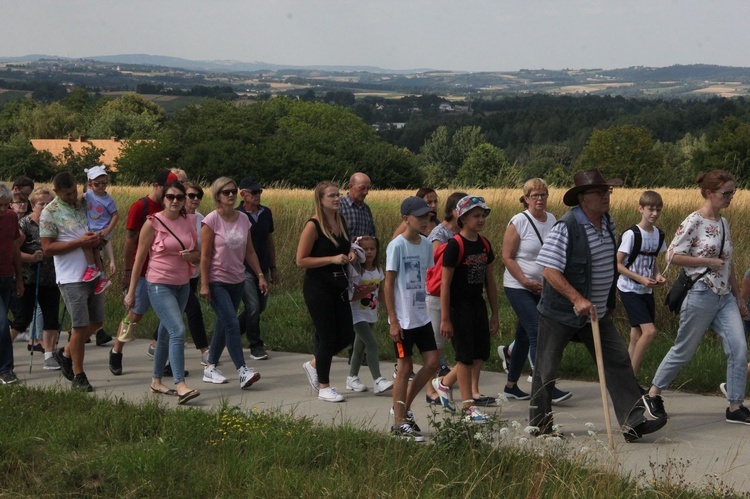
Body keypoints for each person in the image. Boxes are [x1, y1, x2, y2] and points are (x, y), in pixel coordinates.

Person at [530, 168, 667, 442]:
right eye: (600, 192)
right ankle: (540, 427)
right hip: (560, 313)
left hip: (597, 313)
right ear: (583, 198)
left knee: (618, 362)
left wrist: (606, 302)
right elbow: (549, 270)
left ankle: (634, 421)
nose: (606, 197)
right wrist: (577, 298)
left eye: (608, 191)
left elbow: (608, 266)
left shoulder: (607, 222)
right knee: (546, 369)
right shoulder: (567, 227)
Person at [648, 170, 750, 425]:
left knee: (739, 349)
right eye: (726, 193)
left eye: (733, 193)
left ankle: (735, 405)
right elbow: (672, 255)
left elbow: (729, 264)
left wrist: (739, 299)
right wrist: (706, 261)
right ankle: (653, 394)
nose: (730, 198)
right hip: (701, 292)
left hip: (724, 296)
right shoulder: (694, 221)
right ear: (709, 193)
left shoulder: (724, 223)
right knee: (685, 349)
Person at [125, 180, 201, 404]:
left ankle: (156, 381)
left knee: (167, 334)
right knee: (178, 330)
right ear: (163, 199)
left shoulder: (190, 221)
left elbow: (198, 253)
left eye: (180, 197)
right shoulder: (153, 223)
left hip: (183, 283)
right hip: (158, 283)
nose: (176, 201)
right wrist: (131, 291)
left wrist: (191, 256)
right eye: (171, 197)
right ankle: (180, 384)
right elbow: (139, 258)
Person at [500, 179, 571, 403]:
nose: (539, 199)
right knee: (538, 333)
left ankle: (511, 386)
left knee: (522, 337)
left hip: (542, 288)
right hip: (518, 286)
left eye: (543, 195)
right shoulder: (518, 222)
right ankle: (545, 387)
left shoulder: (552, 219)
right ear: (526, 198)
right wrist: (525, 281)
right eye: (535, 195)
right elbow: (507, 257)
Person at [110, 170, 178, 376]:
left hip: (163, 272)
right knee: (135, 314)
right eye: (167, 188)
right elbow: (130, 241)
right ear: (156, 185)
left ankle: (166, 361)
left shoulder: (172, 207)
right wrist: (128, 271)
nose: (171, 194)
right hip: (142, 272)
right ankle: (116, 350)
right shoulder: (141, 207)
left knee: (168, 318)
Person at [41, 172, 104, 392]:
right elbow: (47, 248)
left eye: (74, 191)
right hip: (70, 277)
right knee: (79, 326)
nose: (72, 196)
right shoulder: (50, 213)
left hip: (93, 273)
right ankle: (79, 375)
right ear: (56, 192)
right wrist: (79, 242)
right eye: (67, 194)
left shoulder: (82, 204)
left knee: (96, 322)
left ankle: (65, 353)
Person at [200, 177, 266, 390]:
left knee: (223, 323)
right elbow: (205, 256)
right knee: (231, 322)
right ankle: (242, 370)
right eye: (226, 192)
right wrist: (204, 284)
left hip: (237, 280)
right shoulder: (211, 220)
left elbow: (250, 251)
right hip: (217, 280)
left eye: (233, 191)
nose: (231, 195)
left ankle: (210, 368)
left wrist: (260, 275)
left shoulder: (243, 219)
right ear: (217, 196)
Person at [439, 195, 499, 424]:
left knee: (479, 354)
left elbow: (490, 281)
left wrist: (495, 313)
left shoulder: (484, 244)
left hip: (477, 305)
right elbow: (445, 283)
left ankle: (444, 383)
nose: (481, 219)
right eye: (476, 215)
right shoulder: (455, 245)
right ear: (462, 218)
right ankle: (468, 408)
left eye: (483, 215)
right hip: (458, 306)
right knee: (464, 357)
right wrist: (445, 318)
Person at [385, 196, 440, 441]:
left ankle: (403, 409)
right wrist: (393, 320)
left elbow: (423, 278)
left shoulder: (427, 244)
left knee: (432, 363)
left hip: (421, 315)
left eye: (427, 216)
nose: (425, 220)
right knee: (404, 368)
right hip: (403, 319)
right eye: (419, 216)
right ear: (406, 218)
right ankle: (399, 423)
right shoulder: (397, 246)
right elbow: (388, 284)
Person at [296, 181, 356, 403]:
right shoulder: (313, 225)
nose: (336, 199)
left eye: (338, 195)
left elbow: (345, 249)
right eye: (331, 196)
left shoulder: (342, 222)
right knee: (328, 336)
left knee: (347, 334)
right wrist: (331, 259)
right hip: (318, 287)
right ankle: (324, 386)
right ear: (320, 200)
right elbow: (301, 260)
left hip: (338, 285)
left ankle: (314, 364)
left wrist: (351, 255)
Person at [10, 188, 62, 370]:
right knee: (22, 318)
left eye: (49, 204)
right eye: (42, 204)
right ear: (33, 205)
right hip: (28, 277)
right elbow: (13, 250)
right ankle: (4, 351)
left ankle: (49, 355)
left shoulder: (55, 223)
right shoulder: (24, 224)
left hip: (51, 277)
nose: (46, 207)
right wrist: (30, 258)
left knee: (51, 317)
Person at [616, 190, 667, 375]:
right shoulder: (631, 234)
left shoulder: (659, 235)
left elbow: (653, 262)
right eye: (650, 209)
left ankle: (624, 379)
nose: (654, 213)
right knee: (650, 332)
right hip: (629, 288)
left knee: (636, 335)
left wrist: (658, 275)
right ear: (641, 208)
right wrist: (640, 279)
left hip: (646, 290)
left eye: (658, 210)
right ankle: (631, 379)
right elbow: (618, 264)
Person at [425, 192, 465, 408]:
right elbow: (436, 266)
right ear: (452, 210)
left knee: (466, 347)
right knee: (435, 347)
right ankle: (430, 390)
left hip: (459, 295)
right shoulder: (439, 232)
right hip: (439, 293)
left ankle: (455, 387)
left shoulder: (466, 233)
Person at [346, 235, 393, 395]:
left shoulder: (378, 270)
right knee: (372, 344)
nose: (369, 252)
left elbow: (380, 293)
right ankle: (378, 380)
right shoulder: (357, 271)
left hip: (370, 313)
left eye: (372, 248)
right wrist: (367, 290)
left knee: (359, 347)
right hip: (356, 314)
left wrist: (389, 309)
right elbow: (351, 296)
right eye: (365, 249)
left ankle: (352, 378)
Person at [237, 177, 278, 361]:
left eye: (259, 192)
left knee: (261, 306)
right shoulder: (237, 214)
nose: (257, 196)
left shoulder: (266, 213)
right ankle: (256, 346)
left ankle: (229, 333)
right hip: (243, 268)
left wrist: (273, 267)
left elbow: (270, 240)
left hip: (263, 266)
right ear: (243, 194)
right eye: (253, 192)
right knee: (252, 306)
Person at [0, 184, 24, 385]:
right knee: (1, 324)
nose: (3, 209)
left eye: (6, 205)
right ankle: (6, 370)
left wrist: (19, 278)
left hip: (6, 277)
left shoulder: (11, 217)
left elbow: (15, 249)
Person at [82, 165, 119, 295]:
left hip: (103, 230)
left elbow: (115, 215)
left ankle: (92, 268)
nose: (101, 186)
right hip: (93, 229)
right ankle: (101, 277)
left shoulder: (108, 200)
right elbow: (79, 200)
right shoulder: (88, 195)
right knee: (96, 251)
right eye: (97, 184)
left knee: (87, 245)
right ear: (90, 184)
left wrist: (108, 230)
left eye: (104, 183)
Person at [339, 172, 376, 238]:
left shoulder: (366, 209)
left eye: (368, 188)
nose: (366, 192)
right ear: (350, 186)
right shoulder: (339, 206)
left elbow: (372, 235)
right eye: (362, 188)